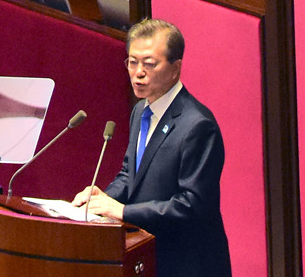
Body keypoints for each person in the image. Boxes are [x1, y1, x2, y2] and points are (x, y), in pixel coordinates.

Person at [72, 20, 231, 277]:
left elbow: (191, 205)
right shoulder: (140, 110)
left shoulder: (197, 126)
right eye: (132, 62)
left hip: (188, 263)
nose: (138, 72)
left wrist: (122, 211)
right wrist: (102, 200)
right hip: (149, 254)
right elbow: (130, 175)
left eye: (149, 64)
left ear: (175, 69)